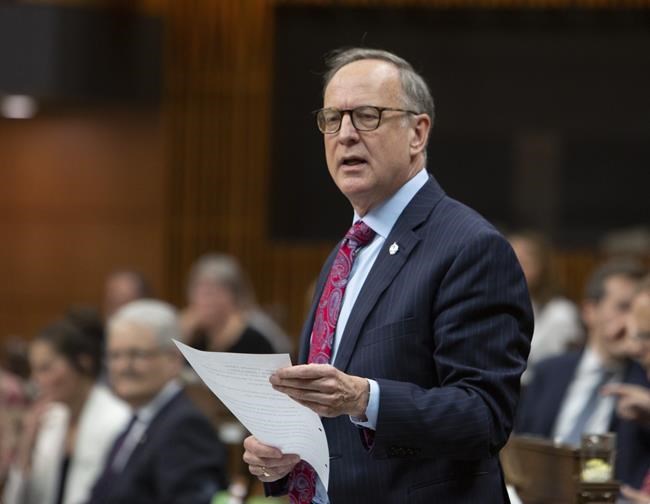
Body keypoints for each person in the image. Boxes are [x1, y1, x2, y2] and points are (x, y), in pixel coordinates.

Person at [242, 48, 533, 503]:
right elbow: (327, 417)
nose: (346, 135)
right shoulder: (347, 251)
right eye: (332, 119)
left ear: (417, 133)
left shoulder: (470, 247)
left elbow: (484, 416)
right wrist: (282, 453)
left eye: (368, 116)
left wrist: (365, 398)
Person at [516, 260, 649, 488]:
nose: (630, 323)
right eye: (623, 307)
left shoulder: (644, 383)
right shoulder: (549, 371)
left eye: (638, 313)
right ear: (589, 311)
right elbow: (520, 444)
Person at [88, 299, 227, 504]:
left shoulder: (185, 426)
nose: (122, 366)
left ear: (173, 360)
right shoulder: (138, 419)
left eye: (136, 354)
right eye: (114, 355)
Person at [2, 321, 129, 504]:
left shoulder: (117, 419)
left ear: (82, 362)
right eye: (35, 370)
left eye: (46, 368)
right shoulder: (51, 419)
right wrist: (26, 448)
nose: (38, 380)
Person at [508, 231, 583, 383]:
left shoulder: (561, 313)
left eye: (522, 261)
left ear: (541, 266)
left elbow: (559, 371)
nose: (512, 268)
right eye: (507, 260)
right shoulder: (491, 305)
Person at [181, 254, 277, 354]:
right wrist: (182, 335)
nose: (203, 301)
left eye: (210, 293)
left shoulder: (256, 333)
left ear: (234, 296)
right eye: (198, 292)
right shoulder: (195, 334)